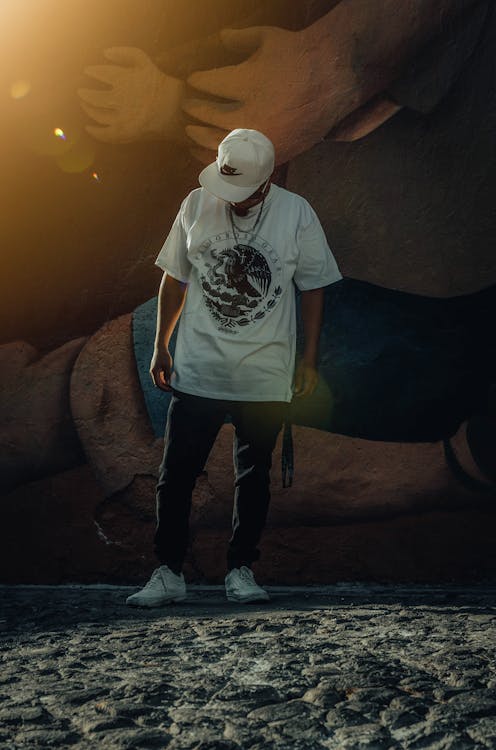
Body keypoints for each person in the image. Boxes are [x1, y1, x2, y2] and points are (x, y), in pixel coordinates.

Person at [126, 128, 342, 607]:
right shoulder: (196, 203)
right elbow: (174, 278)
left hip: (264, 371)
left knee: (253, 474)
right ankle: (168, 573)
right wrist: (161, 345)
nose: (234, 200)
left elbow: (314, 288)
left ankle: (240, 570)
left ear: (267, 183)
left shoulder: (296, 212)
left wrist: (308, 361)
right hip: (198, 365)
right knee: (176, 474)